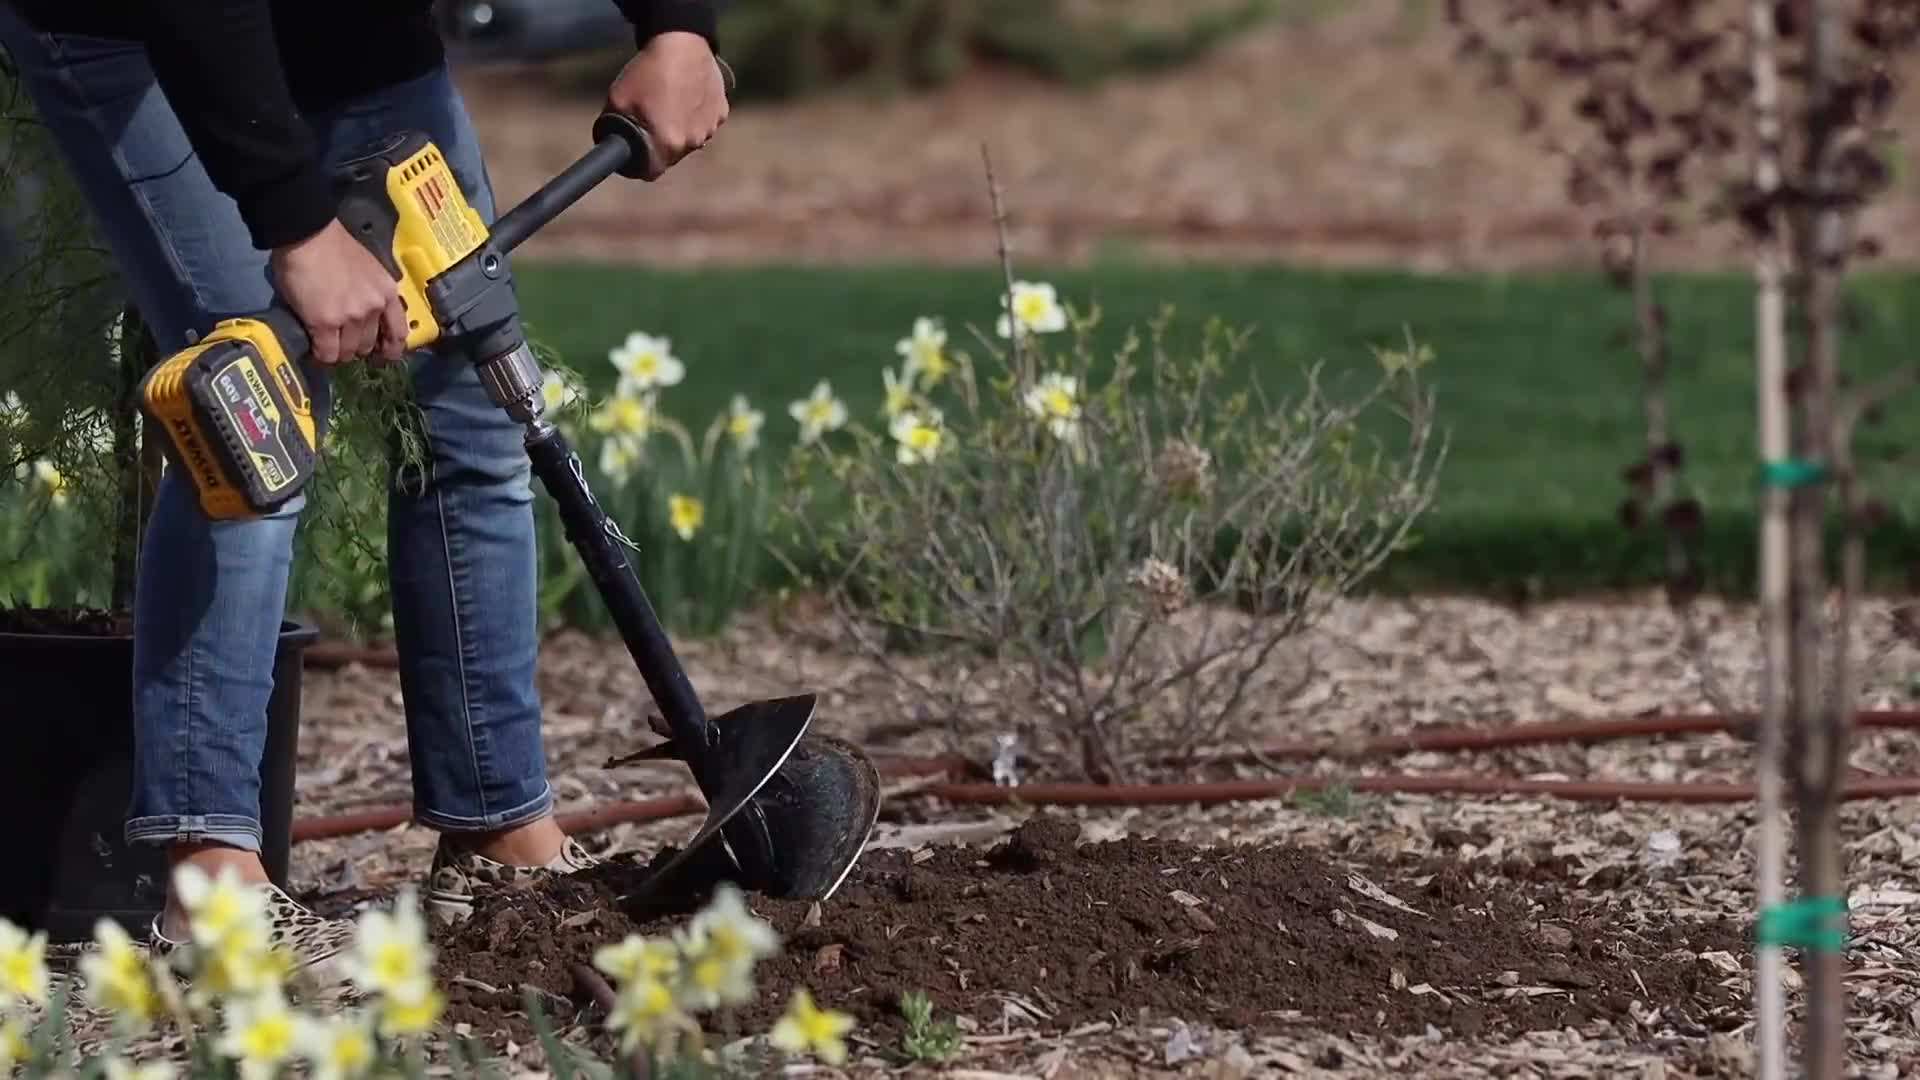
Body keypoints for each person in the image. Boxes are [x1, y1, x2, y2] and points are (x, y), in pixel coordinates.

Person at [0, 0, 729, 967]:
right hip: (142, 32)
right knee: (253, 412)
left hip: (354, 35)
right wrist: (296, 225)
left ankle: (496, 827)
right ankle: (209, 877)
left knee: (468, 394)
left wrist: (676, 25)